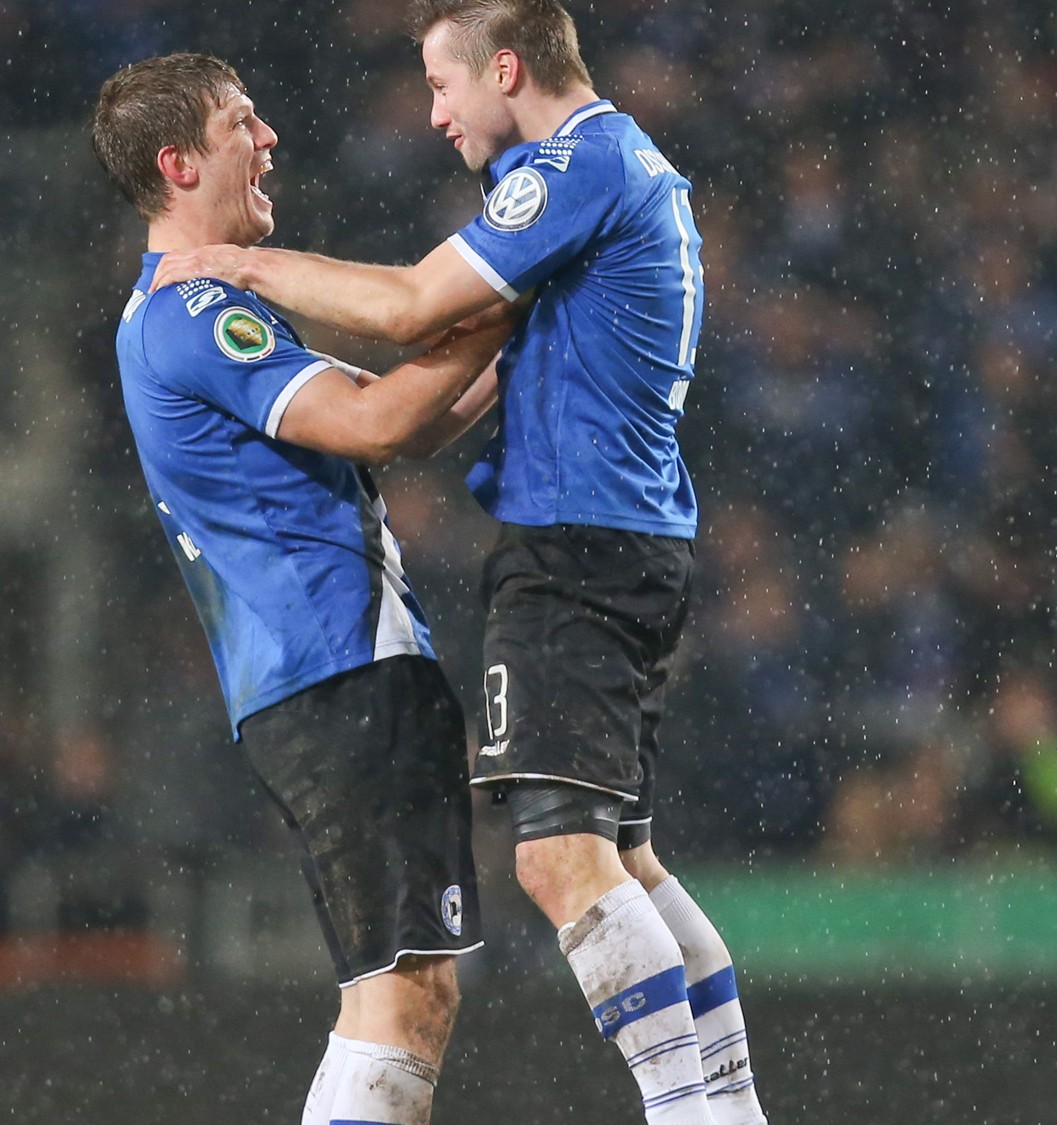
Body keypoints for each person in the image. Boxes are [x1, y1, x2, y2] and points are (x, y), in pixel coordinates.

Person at [149, 4, 765, 1122]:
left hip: (573, 549)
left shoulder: (573, 164)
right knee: (619, 857)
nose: (434, 114)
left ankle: (696, 1117)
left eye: (443, 85)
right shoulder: (629, 165)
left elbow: (409, 308)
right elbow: (411, 409)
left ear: (508, 69)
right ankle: (723, 1112)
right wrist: (484, 328)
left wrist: (249, 263)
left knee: (556, 863)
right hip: (625, 541)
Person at [94, 53, 514, 1125]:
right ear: (178, 163)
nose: (269, 137)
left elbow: (394, 409)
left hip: (324, 684)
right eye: (243, 122)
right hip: (336, 674)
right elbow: (379, 422)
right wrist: (516, 284)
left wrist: (510, 339)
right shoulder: (196, 315)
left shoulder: (187, 315)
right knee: (403, 990)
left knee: (403, 985)